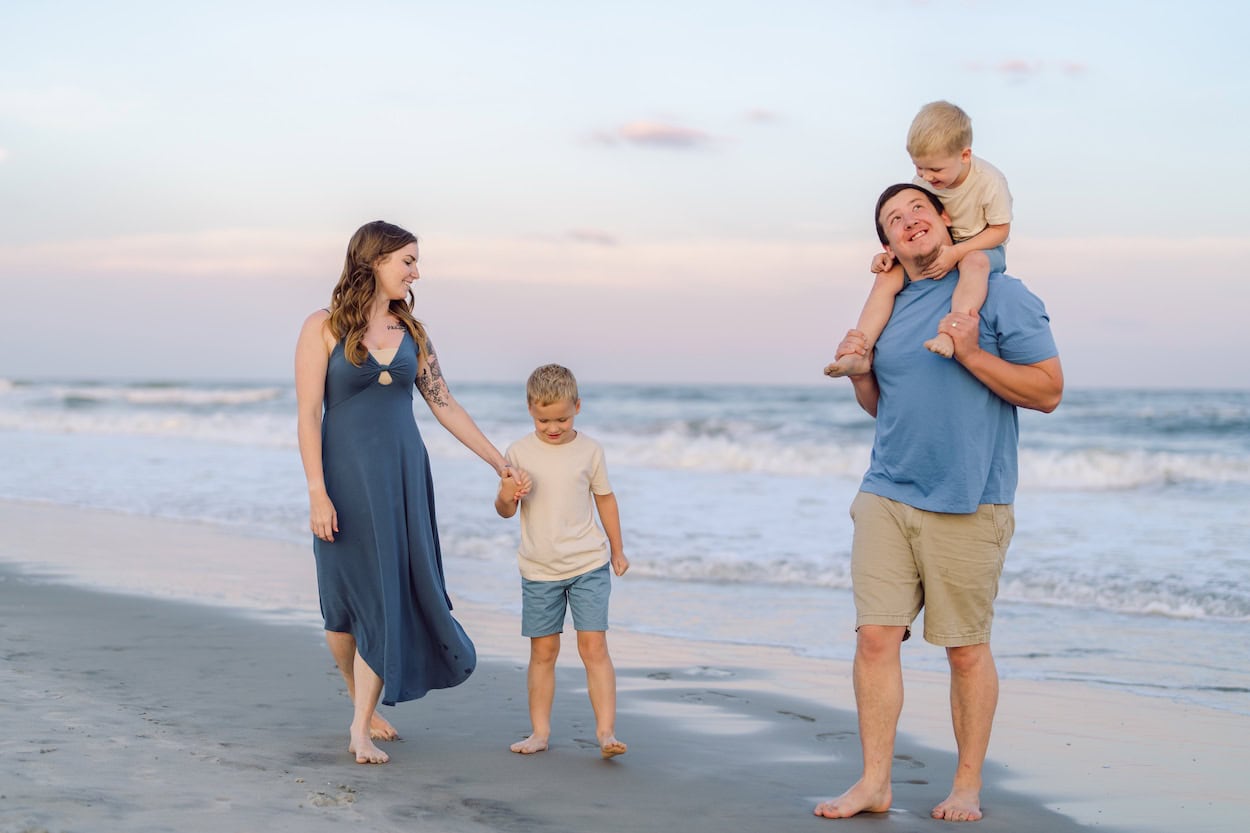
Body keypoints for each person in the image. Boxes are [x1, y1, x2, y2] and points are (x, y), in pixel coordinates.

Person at [814, 184, 1063, 822]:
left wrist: (973, 350)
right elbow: (880, 406)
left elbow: (1047, 391)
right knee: (875, 638)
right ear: (888, 246)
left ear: (946, 217)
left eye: (916, 209)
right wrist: (863, 369)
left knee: (964, 647)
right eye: (892, 221)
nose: (907, 222)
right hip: (887, 490)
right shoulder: (890, 302)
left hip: (969, 499)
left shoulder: (1001, 293)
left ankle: (967, 786)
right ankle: (874, 783)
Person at [295, 220, 529, 765]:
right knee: (340, 609)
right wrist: (316, 492)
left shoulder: (413, 334)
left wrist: (500, 462)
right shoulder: (322, 327)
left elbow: (444, 404)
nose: (416, 271)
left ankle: (358, 729)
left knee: (387, 596)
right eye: (407, 260)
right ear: (374, 260)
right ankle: (363, 703)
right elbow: (308, 414)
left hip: (401, 478)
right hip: (343, 482)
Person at [494, 364, 631, 759]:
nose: (553, 427)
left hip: (589, 562)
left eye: (562, 419)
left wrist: (617, 549)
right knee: (543, 651)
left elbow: (605, 498)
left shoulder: (590, 450)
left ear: (578, 407)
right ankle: (539, 732)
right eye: (543, 420)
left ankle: (606, 732)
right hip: (538, 569)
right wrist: (510, 494)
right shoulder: (518, 452)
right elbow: (503, 510)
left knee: (594, 646)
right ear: (529, 410)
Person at [825, 101, 1012, 377]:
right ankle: (858, 353)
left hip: (981, 245)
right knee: (888, 276)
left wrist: (958, 253)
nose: (925, 176)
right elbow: (917, 225)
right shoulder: (924, 180)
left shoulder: (989, 182)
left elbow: (1000, 230)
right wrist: (892, 254)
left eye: (934, 170)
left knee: (974, 263)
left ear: (965, 155)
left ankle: (951, 334)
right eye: (919, 168)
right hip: (941, 248)